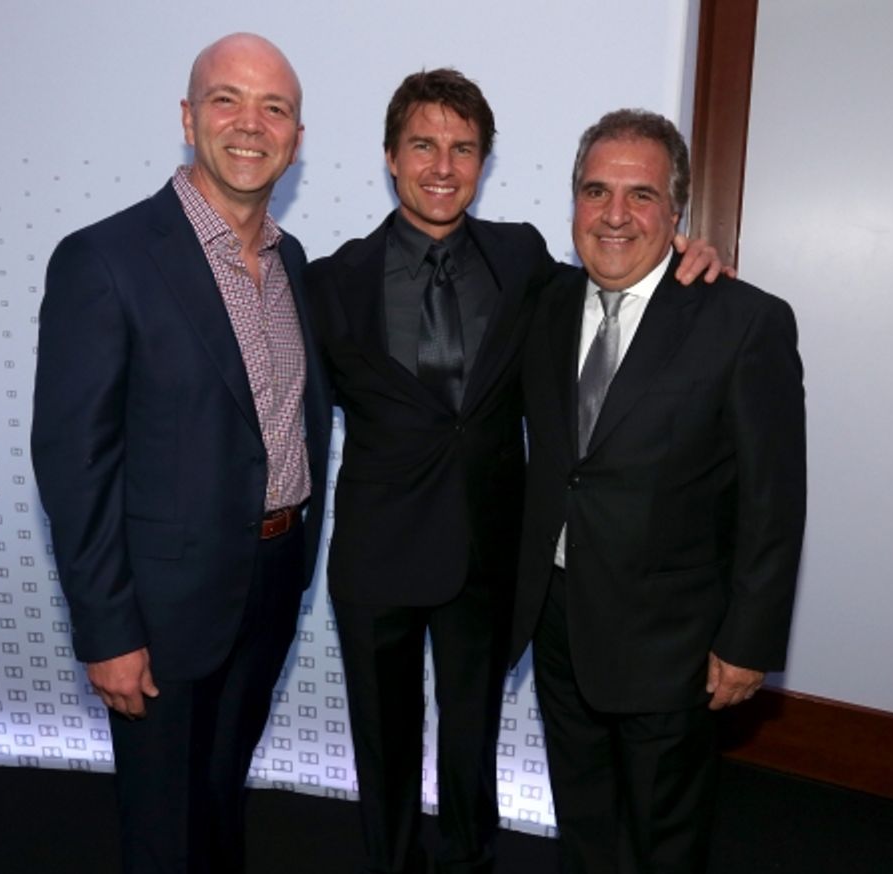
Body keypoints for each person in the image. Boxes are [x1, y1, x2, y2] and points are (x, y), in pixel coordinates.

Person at [307, 73, 725, 874]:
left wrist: (687, 257)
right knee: (382, 745)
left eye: (463, 148)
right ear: (390, 158)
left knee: (473, 739)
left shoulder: (523, 257)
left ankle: (469, 860)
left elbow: (620, 289)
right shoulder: (332, 281)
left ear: (484, 162)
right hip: (376, 557)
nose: (442, 165)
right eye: (423, 145)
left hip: (487, 556)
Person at [30, 33, 331, 873]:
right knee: (162, 831)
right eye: (227, 99)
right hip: (159, 610)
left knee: (221, 804)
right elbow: (73, 465)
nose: (251, 123)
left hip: (273, 578)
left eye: (275, 107)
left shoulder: (290, 261)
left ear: (296, 138)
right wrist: (108, 631)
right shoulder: (106, 259)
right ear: (189, 116)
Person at [510, 108, 806, 873]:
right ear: (572, 199)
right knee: (582, 818)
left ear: (676, 211)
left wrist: (748, 643)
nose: (614, 215)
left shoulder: (745, 322)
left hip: (672, 643)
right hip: (557, 621)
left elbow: (774, 502)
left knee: (663, 840)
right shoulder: (540, 306)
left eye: (640, 196)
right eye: (595, 191)